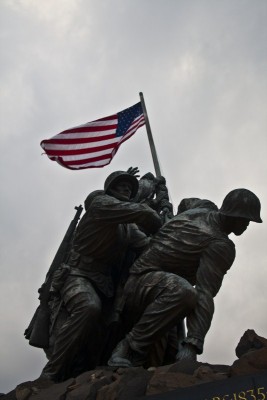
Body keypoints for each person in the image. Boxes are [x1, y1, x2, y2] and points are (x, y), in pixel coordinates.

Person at [108, 188, 262, 368]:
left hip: (156, 291)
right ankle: (128, 348)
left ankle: (138, 366)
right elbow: (204, 293)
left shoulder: (202, 206)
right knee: (184, 293)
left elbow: (184, 203)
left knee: (164, 354)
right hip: (142, 286)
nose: (247, 225)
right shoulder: (220, 246)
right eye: (245, 220)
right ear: (233, 215)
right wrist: (192, 345)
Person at [40, 170, 162, 381]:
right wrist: (152, 212)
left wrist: (171, 226)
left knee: (102, 336)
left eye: (130, 187)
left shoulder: (127, 226)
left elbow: (147, 245)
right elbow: (141, 213)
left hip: (105, 283)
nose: (126, 189)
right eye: (121, 185)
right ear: (110, 189)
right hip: (78, 274)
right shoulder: (100, 205)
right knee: (88, 307)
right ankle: (50, 372)